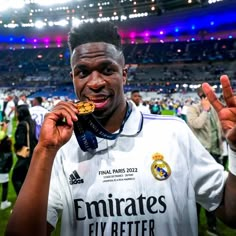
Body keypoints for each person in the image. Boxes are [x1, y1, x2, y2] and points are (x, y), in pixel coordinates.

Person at [5, 22, 236, 236]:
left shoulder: (174, 133)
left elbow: (228, 208)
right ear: (73, 78)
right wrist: (44, 150)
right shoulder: (62, 148)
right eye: (83, 72)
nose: (95, 83)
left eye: (107, 70)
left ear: (124, 74)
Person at [186, 86, 224, 235]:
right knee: (197, 193)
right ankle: (193, 224)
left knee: (214, 192)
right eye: (205, 95)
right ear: (200, 96)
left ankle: (212, 225)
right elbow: (196, 124)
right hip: (201, 155)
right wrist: (205, 111)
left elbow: (220, 128)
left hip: (215, 153)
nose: (207, 98)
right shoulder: (193, 109)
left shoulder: (215, 110)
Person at [11, 104, 38, 195]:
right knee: (28, 180)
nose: (16, 115)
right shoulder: (32, 122)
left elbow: (20, 142)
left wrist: (15, 147)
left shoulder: (22, 124)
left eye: (17, 113)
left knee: (16, 178)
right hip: (33, 154)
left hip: (25, 155)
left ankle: (22, 201)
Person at [0, 121, 13, 210]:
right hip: (3, 171)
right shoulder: (8, 154)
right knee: (5, 186)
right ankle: (4, 202)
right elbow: (10, 164)